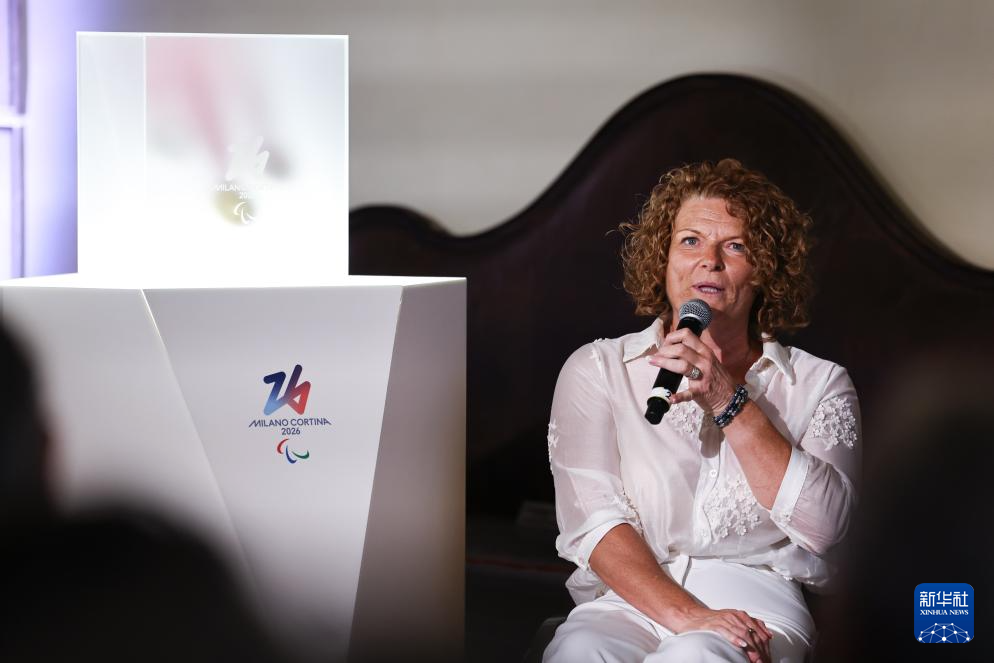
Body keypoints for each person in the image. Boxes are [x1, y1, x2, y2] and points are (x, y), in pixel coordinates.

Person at [543, 159, 860, 663]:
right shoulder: (600, 368)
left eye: (735, 246)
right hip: (629, 597)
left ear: (765, 270)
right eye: (690, 241)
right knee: (580, 649)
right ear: (663, 258)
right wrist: (689, 615)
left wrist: (727, 398)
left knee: (696, 657)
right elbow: (594, 526)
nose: (709, 261)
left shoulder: (819, 383)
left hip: (758, 603)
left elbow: (828, 529)